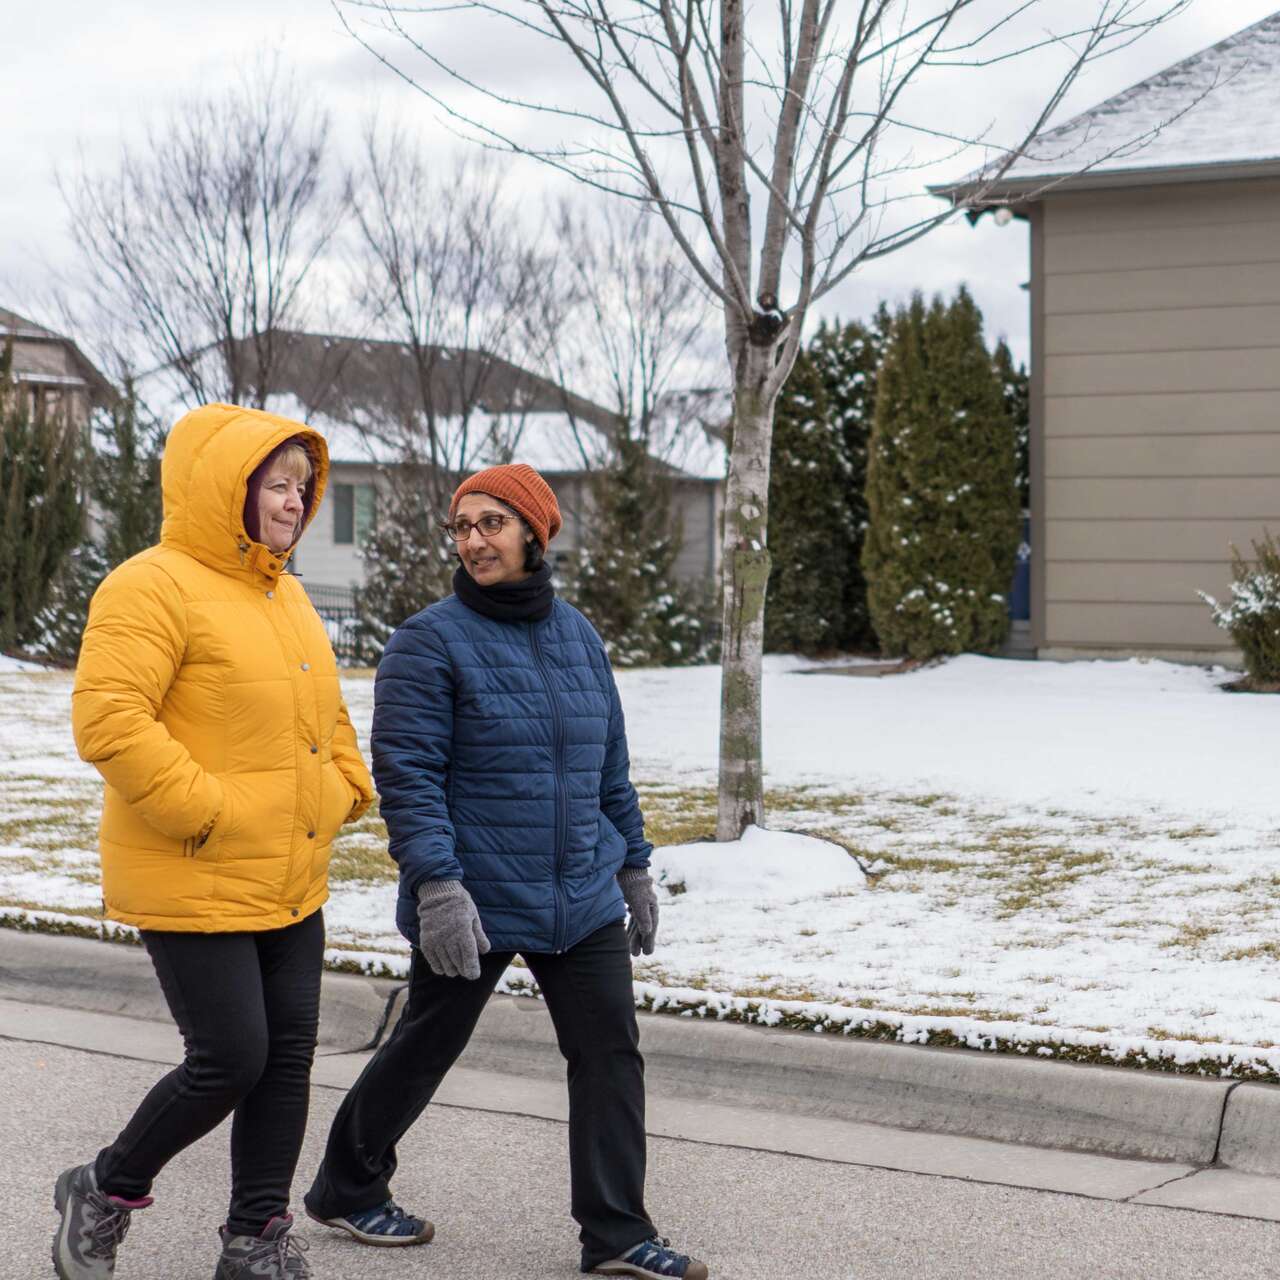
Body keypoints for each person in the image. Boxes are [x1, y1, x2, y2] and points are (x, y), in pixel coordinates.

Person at [304, 463, 708, 1279]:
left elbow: (609, 769)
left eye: (492, 523)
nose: (474, 540)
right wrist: (437, 886)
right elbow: (408, 775)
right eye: (463, 527)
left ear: (534, 530)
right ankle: (348, 1185)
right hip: (475, 892)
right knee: (427, 1043)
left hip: (581, 891)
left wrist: (633, 864)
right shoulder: (430, 640)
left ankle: (617, 1234)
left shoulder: (579, 635)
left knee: (609, 1055)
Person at [53, 403, 375, 1280]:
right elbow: (110, 722)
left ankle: (254, 1239)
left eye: (302, 490)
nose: (293, 506)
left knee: (287, 1060)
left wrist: (347, 789)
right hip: (195, 866)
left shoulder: (286, 592)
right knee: (231, 1057)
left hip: (290, 871)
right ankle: (105, 1187)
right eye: (276, 486)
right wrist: (208, 811)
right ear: (224, 490)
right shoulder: (147, 586)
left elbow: (329, 719)